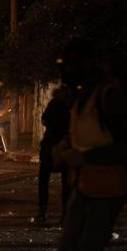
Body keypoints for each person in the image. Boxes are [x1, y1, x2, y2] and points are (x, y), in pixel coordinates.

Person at [55, 38, 127, 251]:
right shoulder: (81, 97)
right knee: (68, 244)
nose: (67, 71)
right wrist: (65, 145)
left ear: (89, 64)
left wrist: (85, 157)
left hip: (108, 189)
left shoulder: (109, 97)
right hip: (83, 186)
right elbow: (86, 134)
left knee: (89, 246)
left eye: (73, 64)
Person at [37, 85, 72, 223]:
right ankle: (66, 213)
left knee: (44, 179)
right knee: (66, 182)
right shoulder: (72, 105)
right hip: (65, 145)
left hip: (50, 145)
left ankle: (42, 211)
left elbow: (44, 119)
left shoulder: (54, 103)